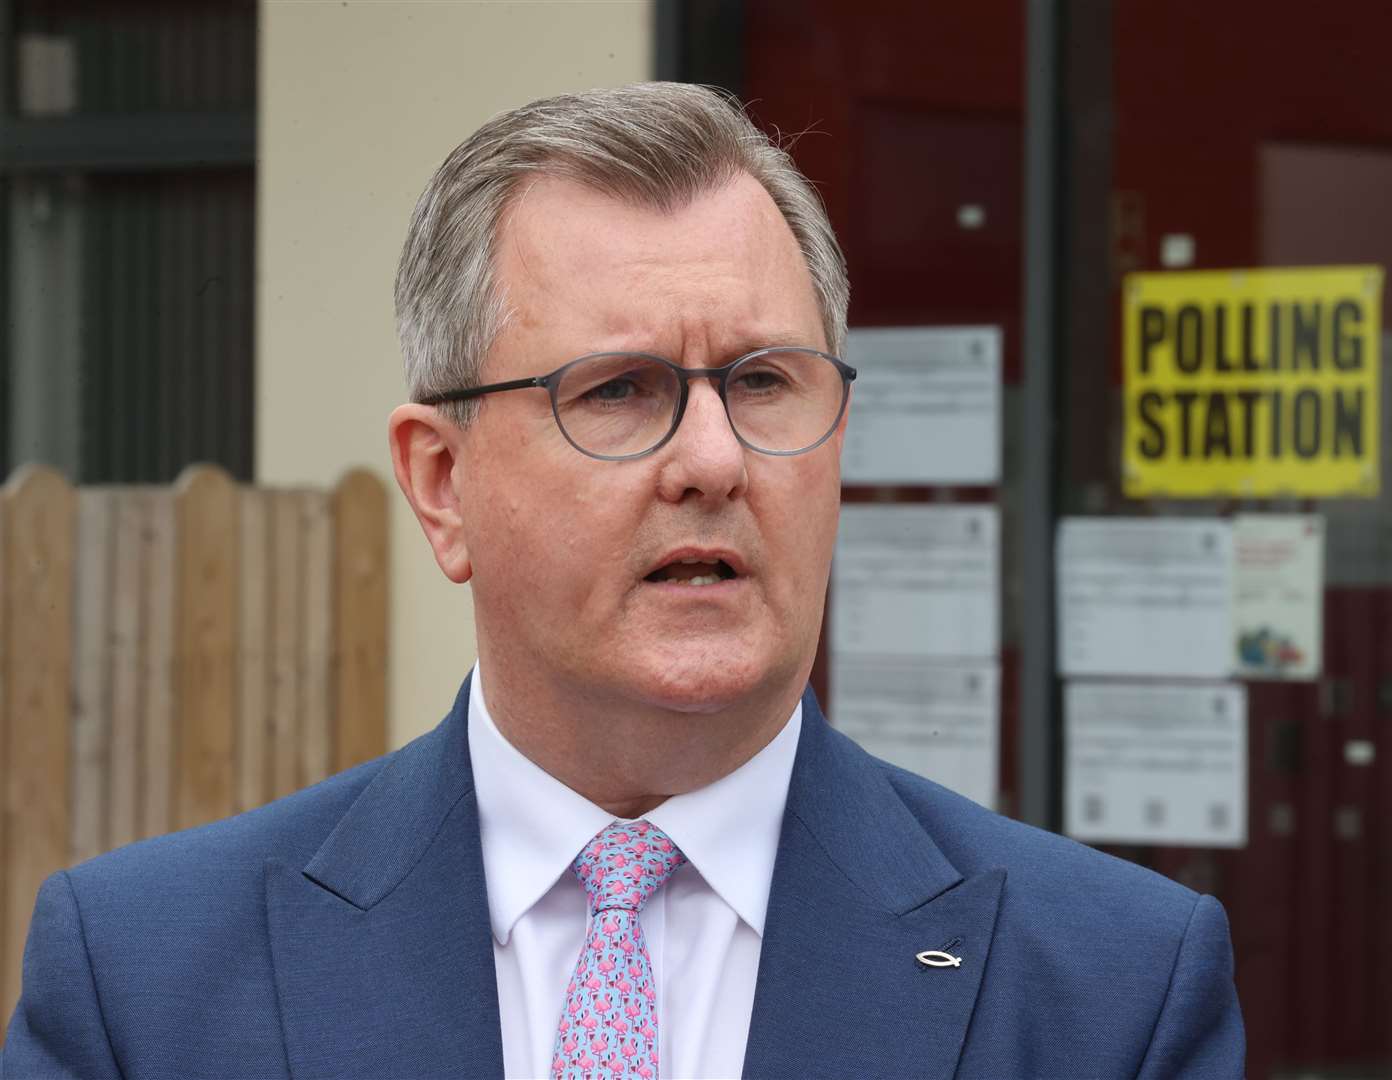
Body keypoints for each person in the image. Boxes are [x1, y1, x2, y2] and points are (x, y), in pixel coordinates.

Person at [3, 83, 1243, 1079]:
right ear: (441, 484)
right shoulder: (145, 983)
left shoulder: (1110, 990)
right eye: (617, 391)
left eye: (763, 382)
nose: (713, 459)